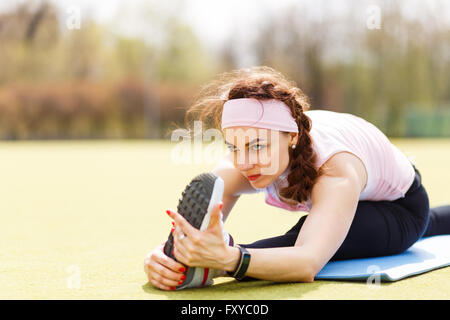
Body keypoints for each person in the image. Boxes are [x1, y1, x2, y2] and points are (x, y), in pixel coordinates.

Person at [144, 66, 450, 291]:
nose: (244, 161)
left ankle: (213, 265)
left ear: (291, 137)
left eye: (258, 145)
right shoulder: (245, 155)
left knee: (310, 234)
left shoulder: (335, 169)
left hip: (401, 209)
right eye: (234, 146)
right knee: (433, 224)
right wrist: (167, 253)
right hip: (370, 189)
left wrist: (228, 260)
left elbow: (306, 262)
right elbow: (200, 215)